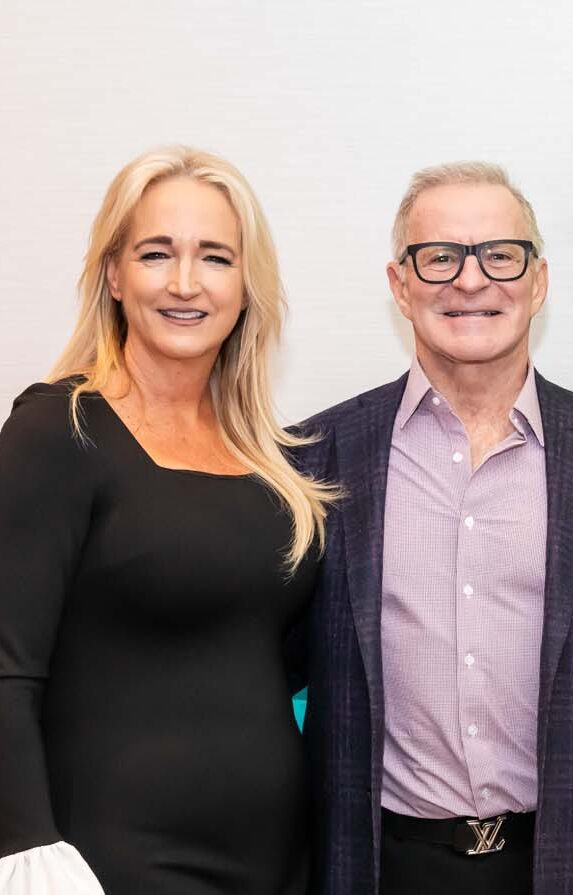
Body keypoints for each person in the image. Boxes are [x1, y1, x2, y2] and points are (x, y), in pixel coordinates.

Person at [294, 161, 573, 894]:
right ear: (400, 285)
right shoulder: (314, 459)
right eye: (440, 257)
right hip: (382, 867)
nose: (471, 280)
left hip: (572, 869)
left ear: (538, 281)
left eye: (500, 255)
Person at [0, 146, 336, 893]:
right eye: (156, 253)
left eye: (216, 257)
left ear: (246, 285)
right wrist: (27, 850)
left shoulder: (269, 459)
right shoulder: (58, 431)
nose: (186, 282)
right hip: (106, 863)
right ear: (114, 275)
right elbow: (5, 665)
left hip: (275, 863)